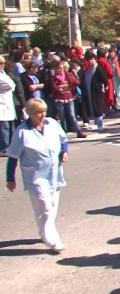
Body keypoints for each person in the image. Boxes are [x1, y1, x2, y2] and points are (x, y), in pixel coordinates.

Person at [5, 98, 69, 253]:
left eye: (44, 111)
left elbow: (63, 139)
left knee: (51, 207)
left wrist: (64, 151)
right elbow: (13, 157)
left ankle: (43, 231)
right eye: (38, 113)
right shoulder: (22, 132)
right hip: (35, 177)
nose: (42, 115)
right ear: (29, 114)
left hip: (54, 173)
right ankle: (53, 240)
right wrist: (10, 178)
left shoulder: (52, 124)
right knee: (45, 208)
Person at [49, 61, 87, 138]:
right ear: (55, 69)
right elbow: (55, 88)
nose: (61, 70)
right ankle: (64, 132)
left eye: (62, 68)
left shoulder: (68, 75)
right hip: (59, 98)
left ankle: (78, 131)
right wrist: (62, 88)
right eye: (59, 68)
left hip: (69, 97)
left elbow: (76, 82)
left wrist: (67, 82)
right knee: (62, 116)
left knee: (72, 114)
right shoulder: (53, 78)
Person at [84, 52, 108, 132]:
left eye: (92, 59)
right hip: (89, 91)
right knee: (92, 108)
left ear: (95, 60)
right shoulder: (88, 69)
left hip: (97, 92)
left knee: (98, 108)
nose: (91, 61)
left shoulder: (98, 69)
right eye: (89, 59)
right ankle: (96, 123)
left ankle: (100, 124)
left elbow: (105, 79)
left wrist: (104, 87)